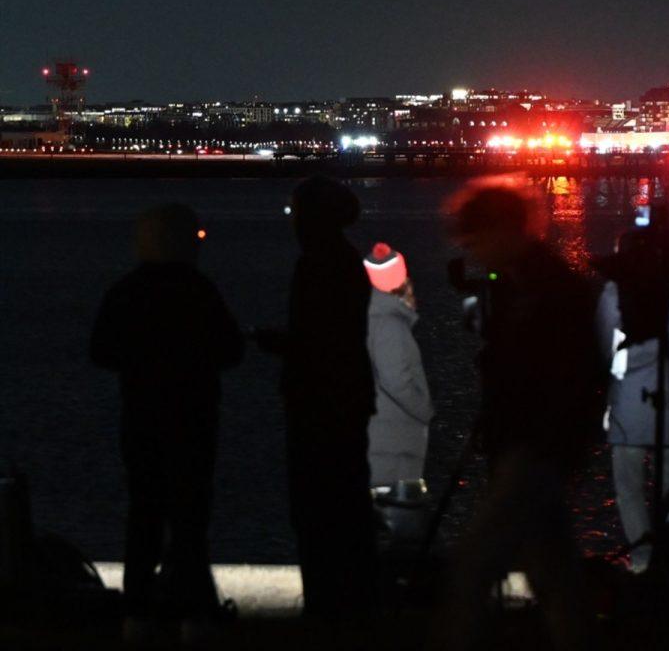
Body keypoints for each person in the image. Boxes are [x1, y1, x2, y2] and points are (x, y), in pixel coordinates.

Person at [436, 179, 605, 651]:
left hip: (531, 449)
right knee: (556, 576)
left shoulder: (542, 291)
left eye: (475, 238)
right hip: (542, 448)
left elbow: (550, 373)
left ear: (503, 229)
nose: (471, 250)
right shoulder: (540, 284)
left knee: (472, 566)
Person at [90, 204, 243, 641]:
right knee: (191, 520)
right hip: (194, 419)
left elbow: (99, 350)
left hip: (140, 417)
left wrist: (138, 362)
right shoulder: (198, 289)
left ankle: (137, 612)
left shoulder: (127, 290)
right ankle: (193, 613)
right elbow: (232, 351)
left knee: (143, 515)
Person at [254, 175, 377, 622]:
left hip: (320, 398)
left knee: (317, 505)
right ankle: (352, 596)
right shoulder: (342, 260)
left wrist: (281, 345)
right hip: (345, 394)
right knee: (346, 502)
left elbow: (321, 338)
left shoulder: (319, 264)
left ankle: (328, 601)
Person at [595, 218, 669, 572]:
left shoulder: (614, 294)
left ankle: (642, 560)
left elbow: (602, 348)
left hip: (627, 408)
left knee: (629, 489)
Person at [363, 243, 434, 487]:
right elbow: (396, 380)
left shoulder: (368, 319)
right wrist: (425, 410)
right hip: (392, 452)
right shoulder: (390, 325)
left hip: (379, 447)